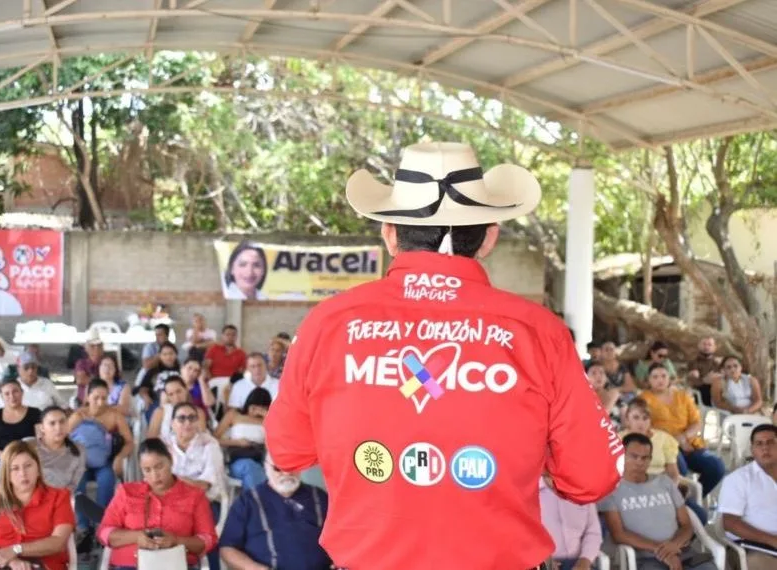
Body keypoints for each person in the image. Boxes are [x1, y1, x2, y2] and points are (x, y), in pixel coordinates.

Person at [265, 142, 623, 570]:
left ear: (390, 233)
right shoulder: (539, 331)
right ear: (490, 235)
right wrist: (534, 453)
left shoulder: (328, 323)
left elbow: (288, 451)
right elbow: (593, 476)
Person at [599, 433, 718, 570]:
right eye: (634, 456)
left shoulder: (664, 482)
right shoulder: (611, 490)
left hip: (681, 552)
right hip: (647, 559)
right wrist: (662, 552)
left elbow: (686, 524)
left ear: (650, 459)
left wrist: (674, 545)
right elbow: (618, 534)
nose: (639, 462)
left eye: (645, 458)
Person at [96, 438, 217, 570]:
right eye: (147, 470)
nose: (154, 475)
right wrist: (136, 537)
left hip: (176, 564)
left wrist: (177, 541)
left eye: (159, 467)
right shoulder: (126, 492)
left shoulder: (195, 496)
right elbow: (104, 532)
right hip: (129, 565)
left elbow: (208, 539)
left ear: (171, 460)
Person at [0, 441, 75, 570]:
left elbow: (58, 542)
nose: (23, 473)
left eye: (28, 466)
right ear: (7, 475)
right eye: (15, 468)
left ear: (38, 469)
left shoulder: (59, 498)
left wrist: (16, 549)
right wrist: (10, 562)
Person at [220, 451, 332, 570]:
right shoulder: (247, 502)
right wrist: (256, 568)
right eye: (278, 468)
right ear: (266, 467)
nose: (286, 473)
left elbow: (340, 538)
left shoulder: (320, 497)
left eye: (292, 467)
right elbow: (227, 548)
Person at [638, 363, 725, 497]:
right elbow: (644, 427)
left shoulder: (682, 396)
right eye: (655, 377)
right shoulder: (643, 399)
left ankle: (693, 498)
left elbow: (696, 422)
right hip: (664, 446)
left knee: (716, 466)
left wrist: (684, 437)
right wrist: (676, 441)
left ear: (670, 378)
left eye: (663, 376)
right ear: (648, 380)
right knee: (680, 469)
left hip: (690, 444)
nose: (660, 380)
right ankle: (680, 500)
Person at [619, 399, 708, 524]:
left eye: (645, 418)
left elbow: (673, 473)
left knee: (699, 515)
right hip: (631, 490)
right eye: (636, 418)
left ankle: (681, 543)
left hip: (662, 487)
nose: (641, 423)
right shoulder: (617, 440)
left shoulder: (664, 439)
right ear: (627, 419)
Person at [165, 401, 226, 570]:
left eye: (192, 418)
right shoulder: (164, 446)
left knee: (207, 537)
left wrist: (174, 479)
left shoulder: (210, 445)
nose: (187, 423)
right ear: (172, 423)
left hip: (205, 502)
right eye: (182, 418)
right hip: (171, 503)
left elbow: (203, 486)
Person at [68, 380, 134, 535]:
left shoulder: (114, 415)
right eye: (96, 397)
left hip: (104, 463)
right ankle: (83, 527)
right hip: (81, 463)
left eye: (104, 398)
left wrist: (119, 457)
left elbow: (130, 442)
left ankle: (103, 524)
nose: (100, 402)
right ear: (88, 396)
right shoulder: (78, 415)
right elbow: (63, 439)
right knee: (77, 483)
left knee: (107, 480)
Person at [718, 424, 777, 570]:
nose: (765, 448)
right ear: (752, 450)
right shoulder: (738, 479)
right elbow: (730, 523)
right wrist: (772, 540)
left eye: (771, 442)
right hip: (754, 547)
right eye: (759, 444)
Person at [0, 378, 42, 491]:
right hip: (0, 458)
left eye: (15, 391)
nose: (12, 396)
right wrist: (1, 454)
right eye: (7, 393)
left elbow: (41, 439)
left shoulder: (35, 413)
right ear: (2, 397)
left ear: (22, 393)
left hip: (27, 457)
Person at [538, 473, 601, 570]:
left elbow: (593, 533)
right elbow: (524, 535)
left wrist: (584, 562)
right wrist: (543, 560)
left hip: (579, 562)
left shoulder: (583, 492)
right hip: (543, 563)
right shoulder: (528, 493)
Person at [217, 387, 270, 489]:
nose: (256, 411)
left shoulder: (267, 421)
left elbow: (272, 445)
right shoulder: (233, 415)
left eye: (261, 408)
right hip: (238, 460)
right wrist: (237, 443)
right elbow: (213, 439)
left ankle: (255, 502)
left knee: (256, 469)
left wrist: (269, 419)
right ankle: (259, 502)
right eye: (254, 407)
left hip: (260, 459)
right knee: (249, 467)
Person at [36, 406, 86, 493]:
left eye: (62, 422)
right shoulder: (31, 448)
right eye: (52, 423)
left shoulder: (79, 449)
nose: (58, 428)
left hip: (64, 498)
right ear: (42, 428)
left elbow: (74, 484)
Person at [135, 341, 182, 420]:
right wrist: (145, 397)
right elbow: (143, 388)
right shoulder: (153, 371)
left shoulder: (182, 370)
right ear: (160, 356)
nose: (168, 357)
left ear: (176, 354)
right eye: (165, 354)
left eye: (171, 353)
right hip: (157, 402)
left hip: (179, 401)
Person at [147, 376, 192, 440]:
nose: (176, 397)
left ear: (186, 389)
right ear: (167, 396)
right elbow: (150, 441)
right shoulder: (161, 412)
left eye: (179, 391)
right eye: (171, 394)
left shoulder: (197, 411)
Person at [686, 337, 721, 407]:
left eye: (709, 345)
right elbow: (693, 381)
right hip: (702, 392)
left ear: (714, 347)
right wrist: (705, 380)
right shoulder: (694, 362)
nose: (706, 347)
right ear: (699, 345)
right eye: (704, 344)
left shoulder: (719, 362)